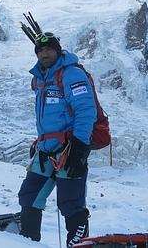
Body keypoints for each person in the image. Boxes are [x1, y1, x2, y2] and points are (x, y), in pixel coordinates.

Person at [18, 32, 97, 246]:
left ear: (58, 50)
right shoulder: (40, 79)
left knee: (71, 204)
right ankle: (27, 243)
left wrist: (80, 148)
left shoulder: (71, 74)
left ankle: (78, 245)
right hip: (45, 151)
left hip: (70, 149)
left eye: (49, 49)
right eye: (40, 50)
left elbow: (86, 110)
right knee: (29, 196)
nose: (44, 53)